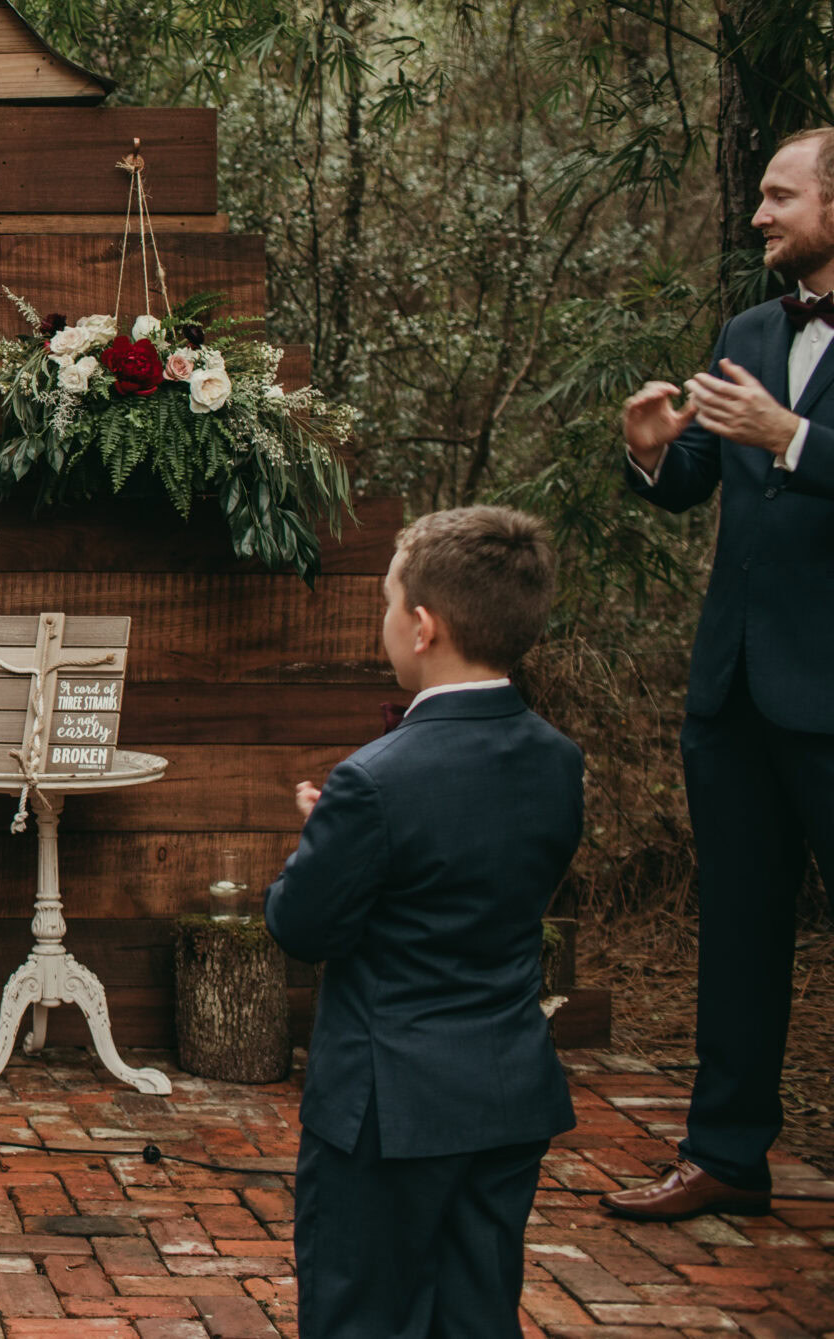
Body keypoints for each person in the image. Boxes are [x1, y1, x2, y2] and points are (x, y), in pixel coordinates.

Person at [267, 506, 581, 1339]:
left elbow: (303, 926)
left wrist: (319, 847)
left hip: (386, 1110)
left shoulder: (370, 781)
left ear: (423, 625)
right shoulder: (559, 759)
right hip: (508, 1091)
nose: (383, 621)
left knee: (359, 1317)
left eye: (385, 602)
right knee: (478, 1315)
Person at [608, 125, 834, 1221]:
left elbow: (784, 449)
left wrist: (795, 435)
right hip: (733, 694)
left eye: (779, 197)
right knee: (738, 932)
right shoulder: (748, 325)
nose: (758, 215)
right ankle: (725, 1155)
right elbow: (698, 477)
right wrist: (652, 448)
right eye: (759, 196)